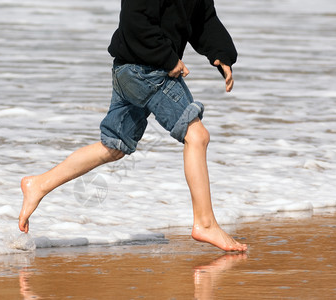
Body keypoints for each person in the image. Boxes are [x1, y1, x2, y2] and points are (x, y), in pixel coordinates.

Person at [19, 0, 247, 252]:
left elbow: (203, 18)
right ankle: (205, 224)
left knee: (114, 147)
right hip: (145, 69)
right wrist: (168, 59)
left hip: (131, 69)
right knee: (197, 136)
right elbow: (133, 19)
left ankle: (38, 184)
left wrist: (222, 54)